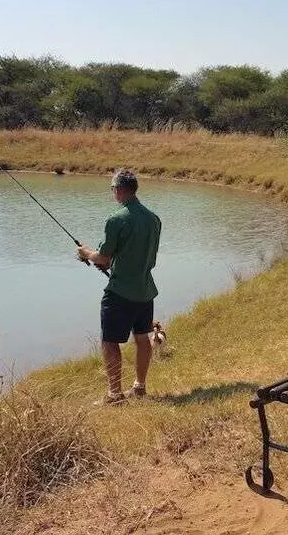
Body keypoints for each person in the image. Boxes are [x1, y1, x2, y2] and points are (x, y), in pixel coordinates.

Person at [77, 169, 162, 405]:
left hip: (120, 292)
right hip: (145, 290)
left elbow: (103, 258)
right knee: (142, 338)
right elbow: (133, 253)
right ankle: (140, 387)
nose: (112, 192)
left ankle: (115, 395)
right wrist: (108, 260)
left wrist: (86, 253)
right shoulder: (154, 219)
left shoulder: (116, 219)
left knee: (110, 341)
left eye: (112, 189)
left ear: (119, 189)